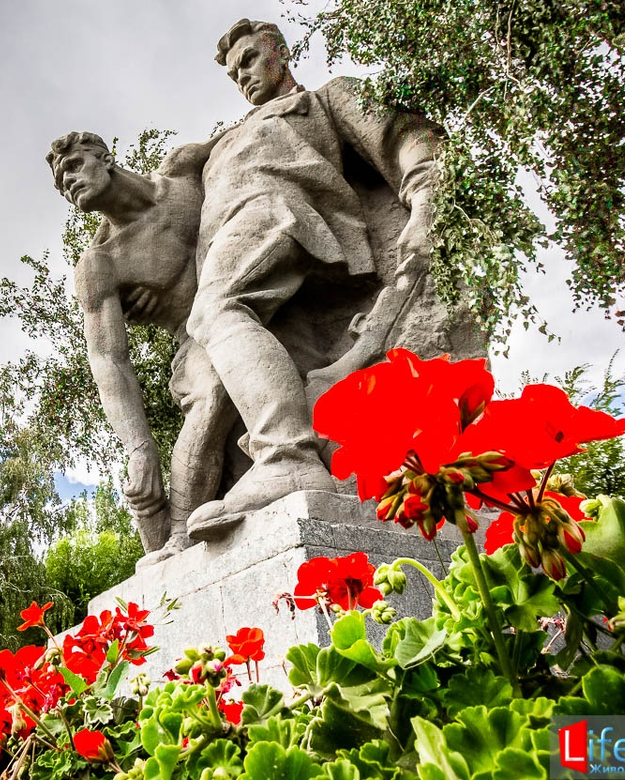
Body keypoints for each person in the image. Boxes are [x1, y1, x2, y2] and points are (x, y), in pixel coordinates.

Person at [185, 18, 443, 536]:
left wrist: (425, 199)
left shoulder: (325, 99)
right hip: (255, 269)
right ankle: (333, 469)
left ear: (280, 51)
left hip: (281, 215)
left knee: (217, 310)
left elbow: (402, 136)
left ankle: (284, 456)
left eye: (251, 61)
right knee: (286, 373)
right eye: (235, 74)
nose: (245, 78)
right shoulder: (223, 144)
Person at [46, 131, 238, 560]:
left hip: (256, 295)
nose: (69, 182)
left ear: (106, 158)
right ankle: (179, 537)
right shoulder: (102, 263)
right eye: (61, 183)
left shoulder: (186, 169)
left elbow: (249, 137)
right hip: (197, 340)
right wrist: (139, 448)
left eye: (75, 166)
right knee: (213, 388)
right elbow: (108, 358)